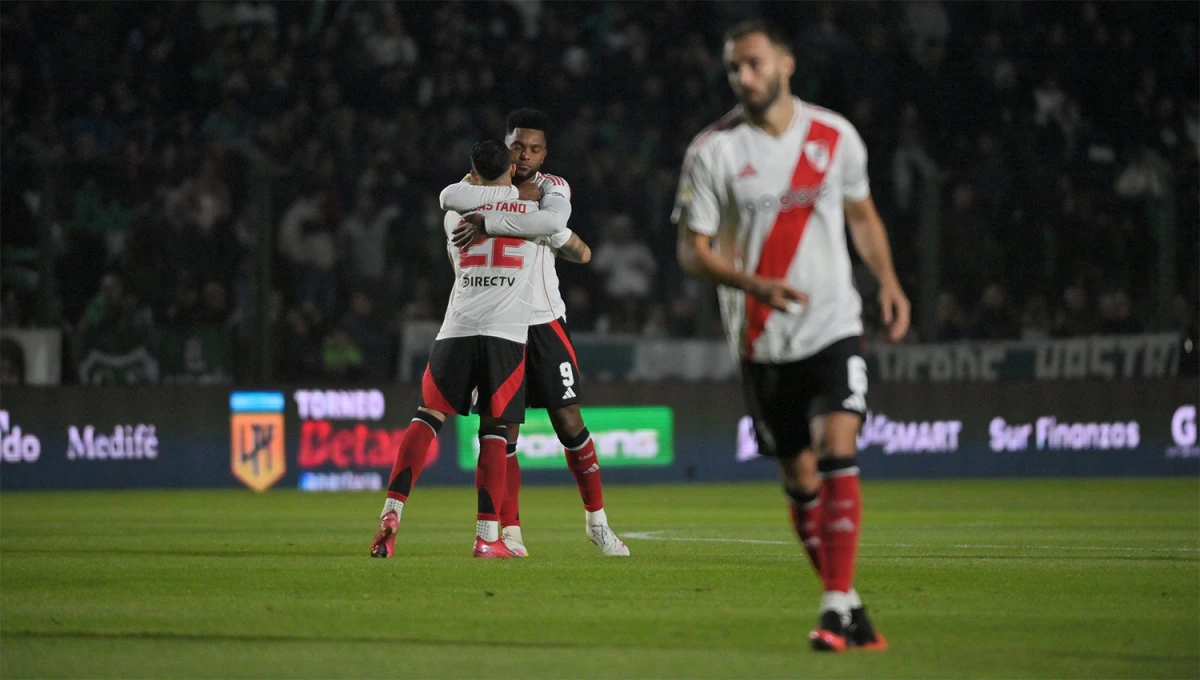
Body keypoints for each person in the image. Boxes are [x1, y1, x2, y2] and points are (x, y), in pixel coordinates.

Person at [674, 20, 910, 652]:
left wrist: (887, 279)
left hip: (834, 323)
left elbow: (862, 215)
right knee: (800, 480)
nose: (743, 77)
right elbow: (692, 253)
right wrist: (755, 285)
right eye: (733, 69)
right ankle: (851, 607)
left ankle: (832, 608)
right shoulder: (712, 152)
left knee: (838, 444)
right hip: (761, 338)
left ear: (785, 64)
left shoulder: (835, 136)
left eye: (752, 63)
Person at [369, 139, 591, 559]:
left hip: (456, 326)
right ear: (510, 168)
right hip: (504, 334)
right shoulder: (535, 215)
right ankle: (488, 536)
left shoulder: (455, 212)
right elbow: (575, 246)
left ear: (472, 174)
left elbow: (456, 218)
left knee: (427, 416)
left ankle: (391, 510)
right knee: (495, 431)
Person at [439, 108, 630, 557]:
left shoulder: (552, 187)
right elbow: (448, 196)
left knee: (569, 421)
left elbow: (557, 227)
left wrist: (492, 218)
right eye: (517, 146)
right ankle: (509, 532)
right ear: (505, 147)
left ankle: (597, 523)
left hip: (544, 319)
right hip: (495, 324)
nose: (525, 154)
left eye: (535, 148)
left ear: (546, 153)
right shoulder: (472, 188)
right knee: (501, 431)